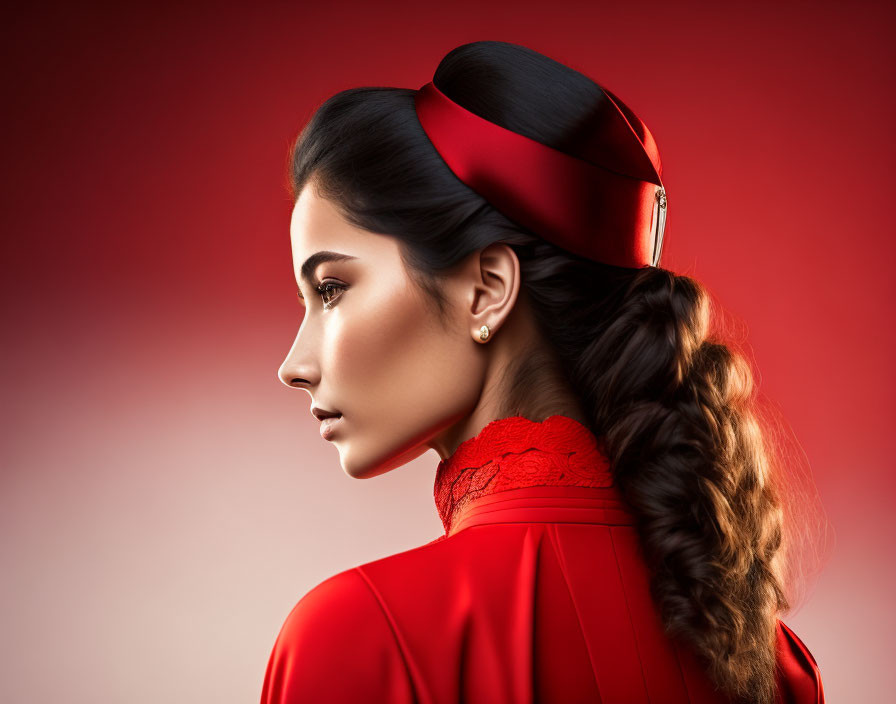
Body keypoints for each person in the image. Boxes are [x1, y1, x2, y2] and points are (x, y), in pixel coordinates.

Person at [262, 40, 825, 704]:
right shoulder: (773, 662)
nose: (292, 367)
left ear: (486, 289)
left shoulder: (358, 637)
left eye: (331, 289)